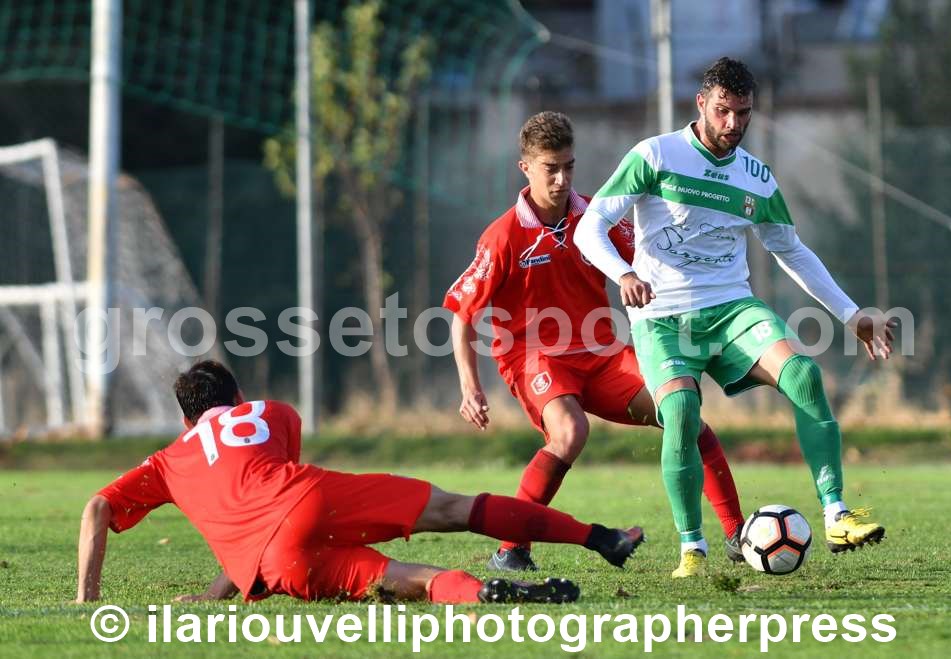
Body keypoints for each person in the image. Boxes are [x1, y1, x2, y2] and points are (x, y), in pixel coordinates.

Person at [575, 57, 896, 578]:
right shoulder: (655, 154)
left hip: (731, 308)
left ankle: (837, 515)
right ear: (701, 103)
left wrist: (850, 314)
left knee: (803, 374)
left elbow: (791, 250)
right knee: (680, 411)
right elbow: (590, 227)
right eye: (723, 111)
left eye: (743, 113)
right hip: (662, 315)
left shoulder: (757, 178)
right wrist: (623, 273)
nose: (733, 124)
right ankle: (692, 548)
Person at [75, 361, 645, 605]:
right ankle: (600, 538)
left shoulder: (168, 458)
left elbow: (97, 508)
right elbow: (274, 493)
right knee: (456, 508)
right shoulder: (271, 413)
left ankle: (479, 594)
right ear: (239, 399)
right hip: (310, 499)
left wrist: (88, 599)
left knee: (411, 581)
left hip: (274, 564)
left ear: (186, 422)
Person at [444, 111, 745, 572]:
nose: (562, 179)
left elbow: (649, 263)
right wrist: (470, 387)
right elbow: (462, 316)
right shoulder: (502, 236)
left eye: (569, 166)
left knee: (683, 412)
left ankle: (738, 534)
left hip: (602, 355)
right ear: (525, 168)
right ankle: (511, 548)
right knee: (570, 432)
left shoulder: (595, 218)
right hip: (535, 358)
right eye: (550, 168)